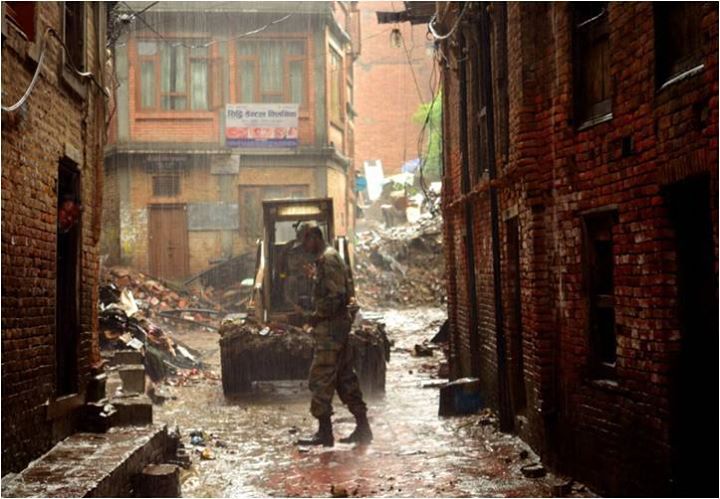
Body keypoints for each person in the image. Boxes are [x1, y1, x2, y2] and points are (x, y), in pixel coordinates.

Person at [296, 225, 373, 447]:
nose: (303, 246)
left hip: (331, 332)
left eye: (305, 241)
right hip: (337, 329)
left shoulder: (327, 260)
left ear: (314, 237)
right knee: (344, 379)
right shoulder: (329, 258)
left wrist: (315, 317)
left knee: (319, 378)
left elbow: (335, 297)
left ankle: (325, 433)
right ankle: (363, 428)